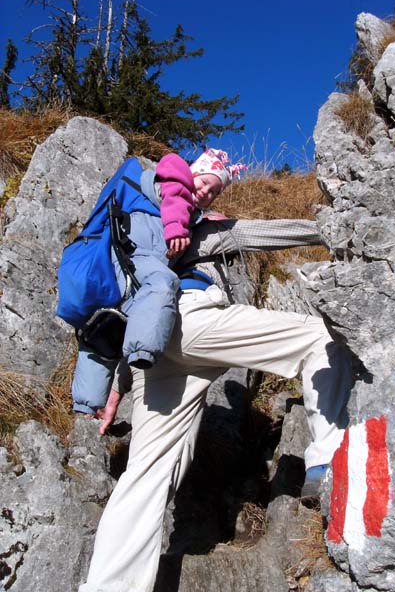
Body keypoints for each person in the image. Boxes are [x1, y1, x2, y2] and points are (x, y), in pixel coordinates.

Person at [79, 202, 352, 592]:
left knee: (147, 474)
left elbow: (144, 322)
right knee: (319, 338)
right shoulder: (206, 228)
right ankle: (326, 462)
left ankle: (108, 586)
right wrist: (338, 226)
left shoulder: (150, 247)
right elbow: (274, 232)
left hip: (156, 353)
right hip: (193, 322)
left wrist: (118, 386)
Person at [71, 149, 245, 415]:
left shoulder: (191, 211)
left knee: (103, 337)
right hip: (137, 259)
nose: (206, 193)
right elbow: (175, 196)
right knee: (164, 282)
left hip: (128, 270)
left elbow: (186, 207)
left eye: (214, 193)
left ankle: (86, 403)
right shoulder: (177, 176)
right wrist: (176, 227)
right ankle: (143, 351)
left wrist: (207, 220)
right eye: (205, 183)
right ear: (194, 171)